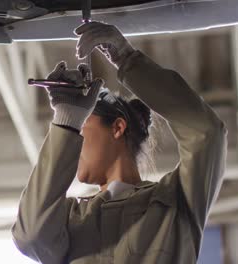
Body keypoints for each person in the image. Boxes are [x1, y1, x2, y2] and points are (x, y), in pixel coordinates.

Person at [12, 22, 227, 264]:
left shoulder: (176, 201)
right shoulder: (68, 220)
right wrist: (65, 121)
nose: (71, 143)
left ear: (117, 128)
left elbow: (207, 133)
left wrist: (128, 60)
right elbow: (30, 237)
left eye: (80, 127)